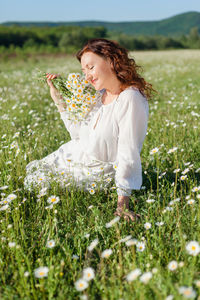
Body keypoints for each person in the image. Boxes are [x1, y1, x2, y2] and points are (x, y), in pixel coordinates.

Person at [24, 38, 154, 222]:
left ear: (111, 61)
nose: (87, 77)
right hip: (75, 155)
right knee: (32, 175)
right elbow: (78, 135)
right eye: (83, 71)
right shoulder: (99, 95)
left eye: (90, 67)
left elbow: (128, 152)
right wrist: (59, 100)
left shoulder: (130, 99)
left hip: (97, 172)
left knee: (37, 183)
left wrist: (122, 205)